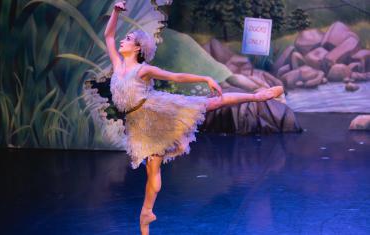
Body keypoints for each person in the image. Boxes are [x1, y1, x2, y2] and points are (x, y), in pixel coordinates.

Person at [104, 1, 284, 234]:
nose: (122, 40)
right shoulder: (118, 66)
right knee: (152, 172)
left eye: (127, 39)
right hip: (138, 124)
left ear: (137, 48)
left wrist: (205, 79)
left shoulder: (143, 70)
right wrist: (116, 12)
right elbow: (108, 36)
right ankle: (147, 213)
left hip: (156, 111)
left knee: (207, 104)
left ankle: (258, 97)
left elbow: (175, 76)